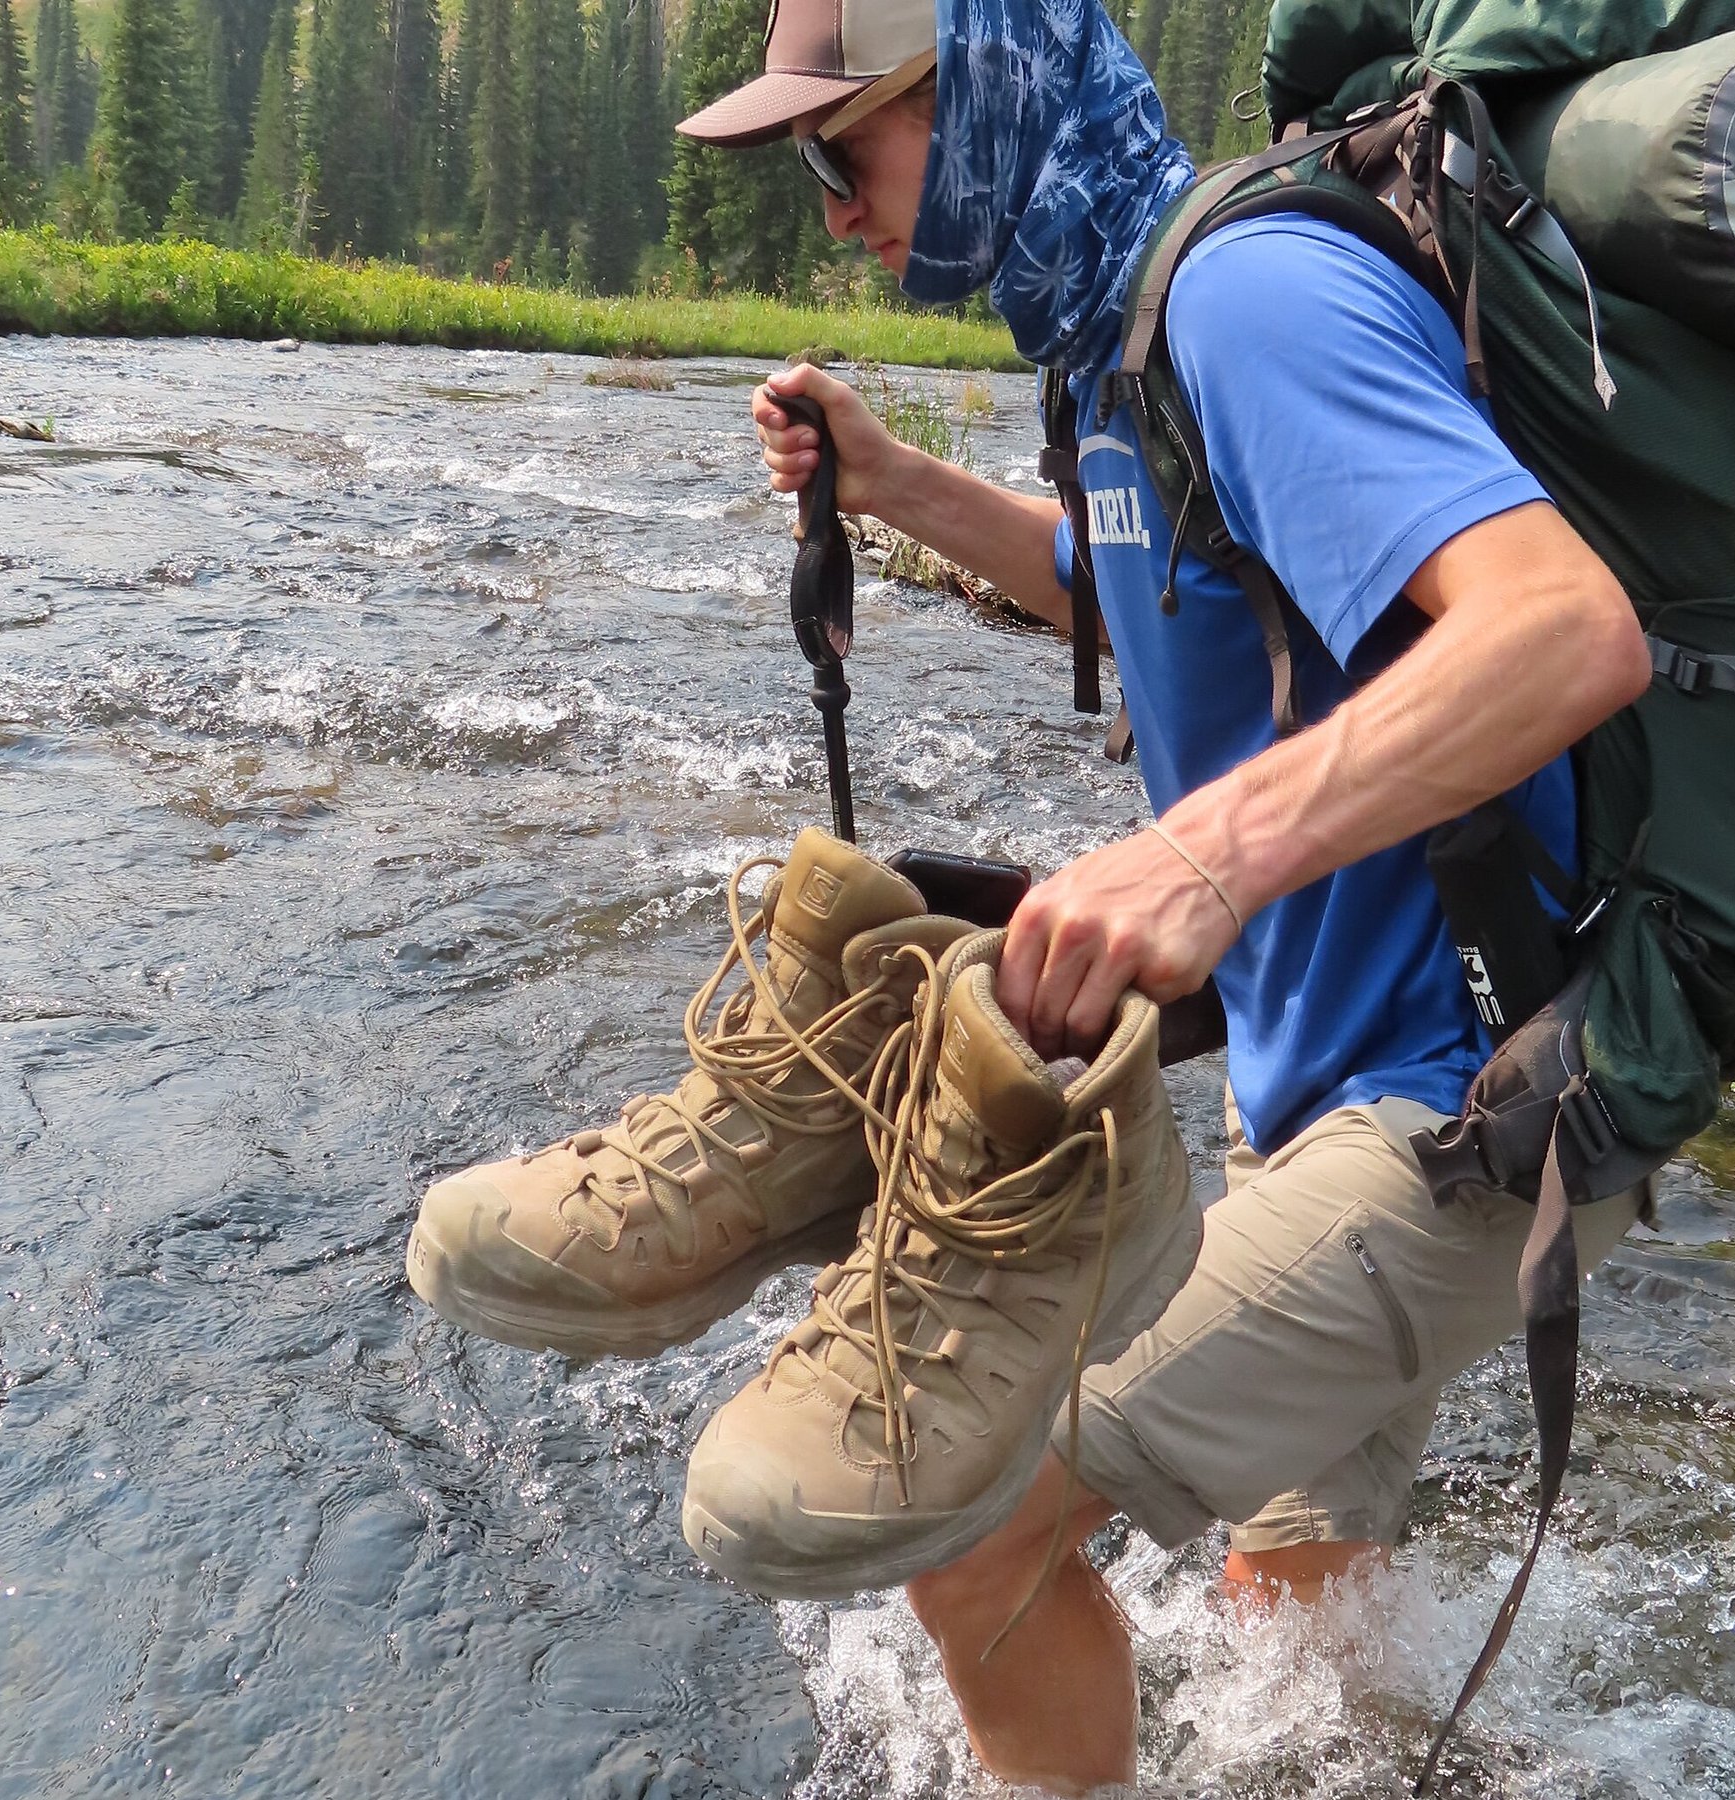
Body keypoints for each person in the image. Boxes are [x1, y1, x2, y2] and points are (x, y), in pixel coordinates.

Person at [670, 0, 1658, 1789]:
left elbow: (1565, 629)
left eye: (847, 146)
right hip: (1326, 1099)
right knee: (1300, 1652)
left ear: (982, 93)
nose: (830, 206)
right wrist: (896, 487)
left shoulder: (1243, 304)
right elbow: (1159, 597)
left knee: (955, 1502)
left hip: (1469, 1105)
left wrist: (1202, 852)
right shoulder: (1116, 341)